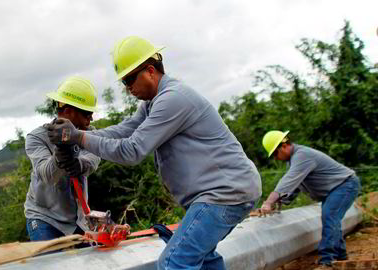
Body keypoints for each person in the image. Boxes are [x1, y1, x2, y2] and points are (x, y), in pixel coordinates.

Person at [47, 36, 262, 269]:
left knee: (174, 262)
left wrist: (78, 137)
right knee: (204, 260)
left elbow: (132, 150)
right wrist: (78, 134)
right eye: (124, 83)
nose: (128, 89)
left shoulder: (173, 98)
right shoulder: (152, 103)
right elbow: (124, 130)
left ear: (150, 71)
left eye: (130, 79)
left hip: (224, 195)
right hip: (224, 194)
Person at [259, 130, 361, 269]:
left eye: (275, 154)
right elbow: (295, 186)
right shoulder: (295, 160)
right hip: (335, 189)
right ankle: (341, 257)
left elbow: (288, 181)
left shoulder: (302, 155)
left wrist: (269, 202)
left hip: (344, 185)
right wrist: (281, 201)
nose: (276, 158)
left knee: (329, 216)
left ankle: (327, 261)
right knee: (331, 217)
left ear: (283, 146)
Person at [24, 76, 101, 241]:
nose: (91, 119)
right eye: (87, 113)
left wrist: (78, 163)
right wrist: (61, 148)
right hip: (45, 219)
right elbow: (49, 176)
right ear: (68, 112)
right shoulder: (36, 138)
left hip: (78, 220)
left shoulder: (89, 132)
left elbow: (93, 159)